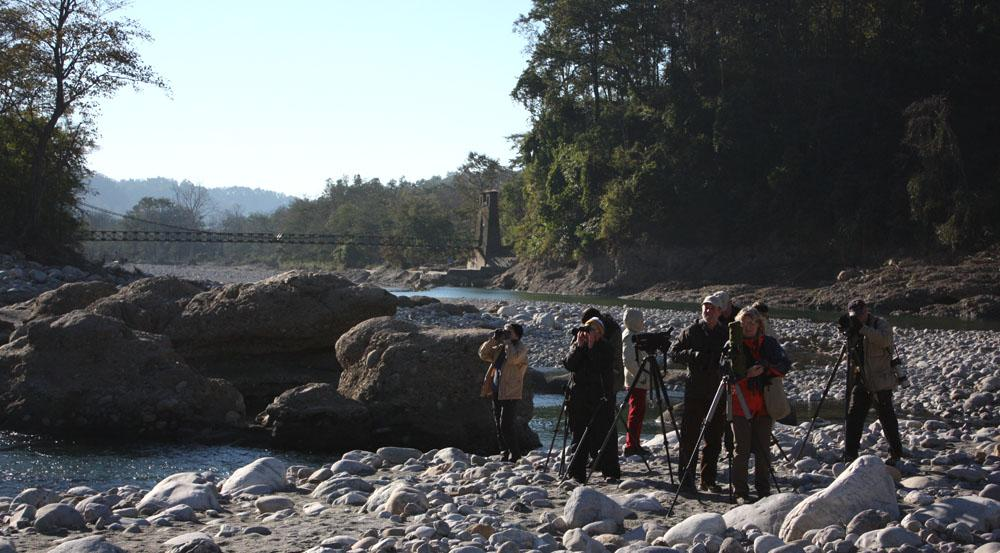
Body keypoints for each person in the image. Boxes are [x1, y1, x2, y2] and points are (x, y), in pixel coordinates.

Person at [728, 307, 791, 503]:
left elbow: (785, 365)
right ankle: (740, 492)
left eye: (752, 323)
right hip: (740, 402)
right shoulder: (732, 345)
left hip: (764, 403)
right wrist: (747, 374)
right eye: (744, 324)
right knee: (742, 450)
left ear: (759, 325)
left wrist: (766, 369)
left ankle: (763, 490)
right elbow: (724, 372)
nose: (748, 327)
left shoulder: (769, 343)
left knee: (763, 449)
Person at [669, 293, 728, 493]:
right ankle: (686, 480)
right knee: (689, 437)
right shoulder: (691, 331)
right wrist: (692, 355)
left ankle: (708, 480)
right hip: (694, 390)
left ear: (720, 311)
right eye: (705, 307)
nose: (708, 310)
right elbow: (673, 353)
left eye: (712, 307)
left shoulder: (725, 333)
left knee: (713, 438)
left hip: (718, 391)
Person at [840, 298, 905, 465]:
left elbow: (884, 340)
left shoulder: (880, 324)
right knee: (854, 416)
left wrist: (862, 329)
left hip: (880, 380)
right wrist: (849, 332)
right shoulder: (854, 327)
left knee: (886, 417)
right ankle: (850, 454)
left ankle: (896, 453)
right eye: (855, 315)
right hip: (861, 380)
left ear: (866, 311)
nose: (859, 317)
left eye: (861, 313)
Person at [563, 316, 621, 483]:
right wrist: (580, 347)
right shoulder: (577, 345)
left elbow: (601, 367)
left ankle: (609, 471)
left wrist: (591, 347)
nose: (589, 333)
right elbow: (569, 364)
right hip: (579, 398)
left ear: (600, 333)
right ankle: (576, 473)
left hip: (600, 399)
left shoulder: (606, 347)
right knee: (578, 435)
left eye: (593, 330)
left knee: (604, 436)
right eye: (587, 329)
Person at [479, 323, 528, 462]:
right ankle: (504, 452)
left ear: (517, 335)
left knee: (506, 424)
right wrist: (494, 339)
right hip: (497, 389)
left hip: (511, 392)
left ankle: (515, 453)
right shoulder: (500, 347)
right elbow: (483, 354)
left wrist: (508, 343)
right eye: (505, 331)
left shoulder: (521, 348)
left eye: (509, 332)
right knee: (498, 424)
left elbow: (513, 360)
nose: (506, 333)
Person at [621, 308, 651, 457]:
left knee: (638, 412)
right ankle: (631, 444)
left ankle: (634, 442)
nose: (643, 322)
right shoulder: (629, 337)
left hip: (638, 379)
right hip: (636, 380)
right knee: (636, 413)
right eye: (641, 320)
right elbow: (628, 361)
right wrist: (640, 376)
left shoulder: (633, 335)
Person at [582, 307, 625, 398]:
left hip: (610, 375)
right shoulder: (609, 325)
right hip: (614, 375)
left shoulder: (608, 330)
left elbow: (607, 355)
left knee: (606, 401)